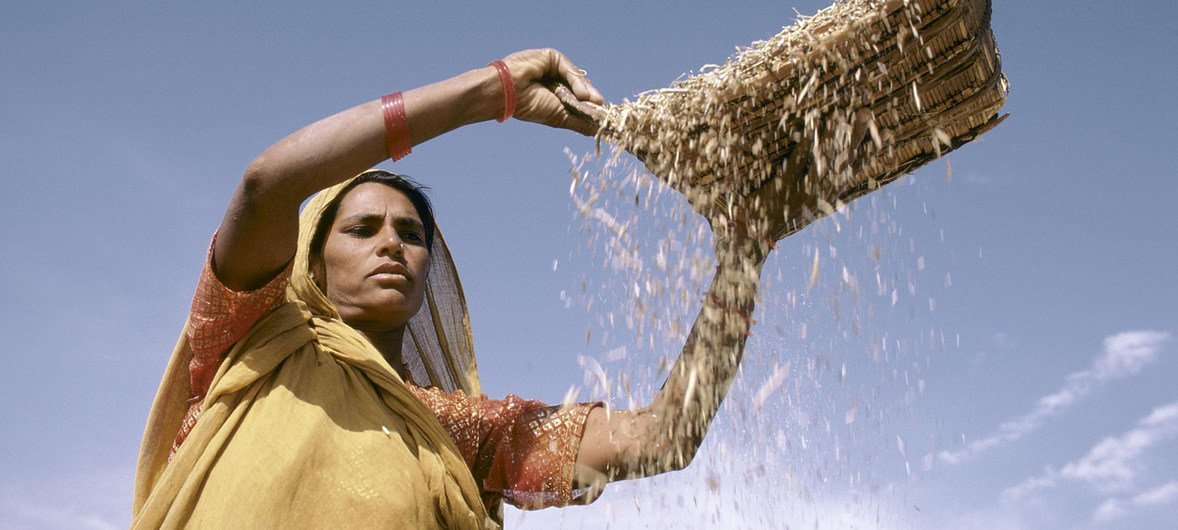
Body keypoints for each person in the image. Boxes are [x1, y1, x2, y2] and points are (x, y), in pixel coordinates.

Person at [133, 49, 793, 529]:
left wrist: (742, 251)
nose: (393, 243)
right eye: (362, 228)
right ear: (312, 256)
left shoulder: (452, 430)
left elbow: (661, 436)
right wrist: (493, 92)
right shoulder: (252, 342)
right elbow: (265, 183)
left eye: (412, 235)